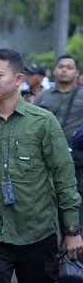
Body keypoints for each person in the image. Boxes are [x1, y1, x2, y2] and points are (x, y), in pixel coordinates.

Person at [0, 48, 83, 283]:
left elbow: (64, 177)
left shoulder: (43, 121)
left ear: (18, 79)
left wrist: (72, 230)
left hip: (36, 233)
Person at [34, 54, 83, 226]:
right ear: (54, 71)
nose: (64, 70)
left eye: (69, 67)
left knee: (76, 202)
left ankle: (75, 234)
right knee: (49, 204)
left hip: (77, 160)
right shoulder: (43, 97)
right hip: (48, 160)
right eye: (61, 67)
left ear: (76, 73)